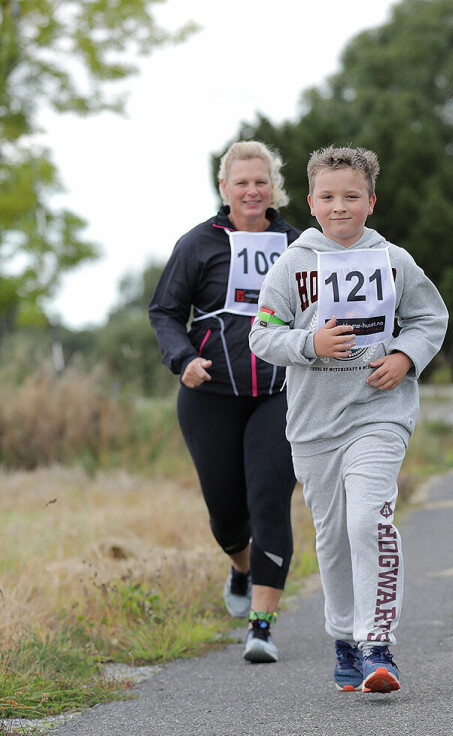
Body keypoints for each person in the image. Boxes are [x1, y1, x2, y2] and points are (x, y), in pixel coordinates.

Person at [249, 145, 447, 694]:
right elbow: (261, 334)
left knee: (369, 521)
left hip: (379, 413)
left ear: (371, 202)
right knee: (333, 536)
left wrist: (406, 356)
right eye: (330, 197)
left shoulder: (395, 260)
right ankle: (343, 639)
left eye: (352, 197)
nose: (341, 207)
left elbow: (430, 316)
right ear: (311, 202)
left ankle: (377, 645)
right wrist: (309, 343)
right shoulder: (292, 263)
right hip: (313, 424)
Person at [149, 140, 300, 664]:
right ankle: (239, 566)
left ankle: (262, 626)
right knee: (228, 516)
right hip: (209, 394)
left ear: (273, 186)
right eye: (242, 182)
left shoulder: (299, 243)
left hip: (280, 395)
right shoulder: (198, 245)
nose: (253, 190)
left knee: (269, 499)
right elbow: (164, 311)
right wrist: (182, 358)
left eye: (261, 181)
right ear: (224, 188)